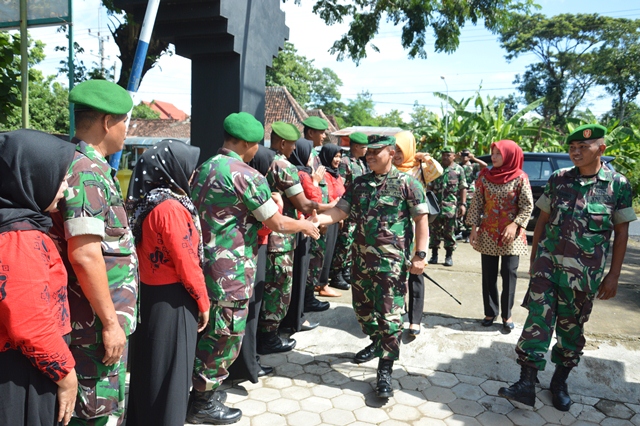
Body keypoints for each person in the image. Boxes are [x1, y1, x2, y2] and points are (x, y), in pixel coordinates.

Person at [188, 112, 320, 424]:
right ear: (248, 143)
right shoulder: (245, 175)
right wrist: (303, 225)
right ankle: (203, 403)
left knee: (207, 332)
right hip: (230, 272)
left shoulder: (203, 168)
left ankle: (205, 390)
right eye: (255, 146)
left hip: (201, 266)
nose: (256, 152)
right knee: (225, 336)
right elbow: (275, 222)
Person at [499, 124, 637, 411]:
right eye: (572, 147)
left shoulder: (618, 185)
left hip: (583, 275)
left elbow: (621, 233)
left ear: (602, 149)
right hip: (547, 268)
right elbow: (542, 222)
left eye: (583, 147)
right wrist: (535, 260)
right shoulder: (558, 179)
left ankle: (559, 383)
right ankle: (526, 383)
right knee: (536, 323)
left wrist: (613, 276)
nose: (575, 152)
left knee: (570, 332)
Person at [49, 79, 138, 426]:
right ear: (106, 122)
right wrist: (112, 324)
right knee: (94, 413)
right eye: (125, 123)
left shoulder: (90, 166)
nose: (126, 133)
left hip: (98, 320)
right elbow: (85, 255)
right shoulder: (86, 173)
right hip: (94, 325)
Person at [313, 135, 430, 398]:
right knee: (363, 311)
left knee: (390, 316)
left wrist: (420, 255)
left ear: (391, 152)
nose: (370, 156)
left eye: (377, 152)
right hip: (361, 262)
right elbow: (340, 211)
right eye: (369, 152)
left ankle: (385, 369)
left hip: (391, 265)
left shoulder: (408, 184)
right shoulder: (360, 184)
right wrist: (316, 220)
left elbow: (422, 221)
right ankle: (377, 343)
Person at [125, 140, 210, 426]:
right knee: (171, 379)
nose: (194, 171)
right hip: (173, 302)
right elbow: (186, 262)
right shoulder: (171, 208)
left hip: (151, 298)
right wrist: (203, 301)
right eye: (190, 165)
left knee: (150, 375)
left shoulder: (150, 201)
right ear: (173, 168)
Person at [0, 129, 78, 426]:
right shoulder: (19, 237)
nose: (65, 188)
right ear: (30, 176)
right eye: (59, 178)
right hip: (26, 371)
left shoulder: (19, 224)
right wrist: (66, 374)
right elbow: (30, 323)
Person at [258, 122, 331, 354]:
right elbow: (303, 203)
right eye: (291, 144)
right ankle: (269, 338)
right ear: (282, 143)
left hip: (261, 235)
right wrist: (330, 206)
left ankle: (262, 335)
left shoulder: (261, 159)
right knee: (278, 288)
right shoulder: (283, 165)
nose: (293, 148)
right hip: (281, 237)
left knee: (264, 286)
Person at [466, 140, 533, 333]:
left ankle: (507, 314)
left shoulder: (520, 177)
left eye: (498, 154)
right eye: (492, 153)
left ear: (510, 155)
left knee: (509, 274)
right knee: (488, 275)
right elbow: (477, 202)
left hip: (511, 236)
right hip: (487, 233)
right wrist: (473, 229)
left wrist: (515, 224)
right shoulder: (485, 176)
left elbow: (527, 205)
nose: (493, 157)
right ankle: (490, 312)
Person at [228, 144, 278, 383]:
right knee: (249, 315)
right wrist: (276, 203)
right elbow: (269, 223)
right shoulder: (251, 181)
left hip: (242, 256)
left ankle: (249, 361)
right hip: (248, 254)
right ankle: (248, 364)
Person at [392, 130, 435, 336]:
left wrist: (426, 158)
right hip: (395, 229)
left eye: (401, 150)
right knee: (394, 273)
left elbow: (438, 171)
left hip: (417, 226)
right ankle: (395, 314)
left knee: (416, 272)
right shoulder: (389, 168)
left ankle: (415, 320)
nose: (397, 154)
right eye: (395, 149)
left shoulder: (419, 168)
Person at [329, 131, 369, 290]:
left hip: (357, 210)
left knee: (352, 241)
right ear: (356, 147)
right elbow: (341, 187)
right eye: (364, 147)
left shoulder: (359, 162)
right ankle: (336, 273)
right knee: (344, 242)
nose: (366, 150)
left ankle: (346, 270)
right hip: (348, 209)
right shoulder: (346, 162)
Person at [428, 146, 468, 267]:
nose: (445, 157)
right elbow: (429, 186)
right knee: (434, 232)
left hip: (450, 206)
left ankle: (448, 256)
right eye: (443, 155)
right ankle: (434, 255)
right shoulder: (436, 169)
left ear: (454, 156)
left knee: (449, 232)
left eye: (448, 155)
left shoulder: (458, 169)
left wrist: (463, 204)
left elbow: (463, 187)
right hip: (435, 206)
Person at [317, 143, 346, 296]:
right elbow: (322, 195)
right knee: (323, 252)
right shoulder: (323, 174)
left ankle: (323, 282)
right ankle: (321, 285)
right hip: (325, 217)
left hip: (335, 217)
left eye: (340, 157)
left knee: (330, 252)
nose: (338, 160)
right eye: (335, 156)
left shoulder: (336, 175)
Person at [457, 148, 487, 242]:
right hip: (459, 192)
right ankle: (458, 232)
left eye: (466, 154)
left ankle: (468, 233)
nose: (464, 156)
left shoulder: (473, 166)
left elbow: (485, 165)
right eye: (463, 154)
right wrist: (456, 158)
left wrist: (474, 158)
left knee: (469, 213)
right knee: (458, 212)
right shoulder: (458, 166)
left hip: (470, 192)